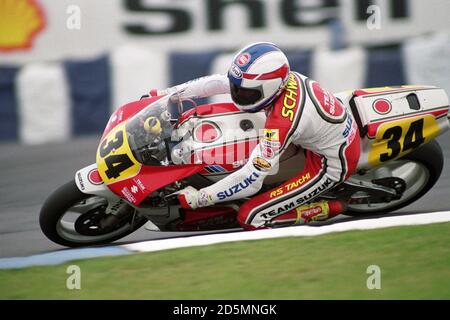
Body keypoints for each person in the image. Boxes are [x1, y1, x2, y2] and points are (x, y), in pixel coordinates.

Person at [152, 42, 361, 230]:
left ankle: (326, 208)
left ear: (271, 88)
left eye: (246, 94)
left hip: (329, 162)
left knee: (250, 216)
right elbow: (218, 83)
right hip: (311, 135)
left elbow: (252, 178)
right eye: (236, 88)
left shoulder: (280, 122)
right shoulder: (272, 81)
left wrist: (201, 198)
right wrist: (169, 94)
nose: (237, 95)